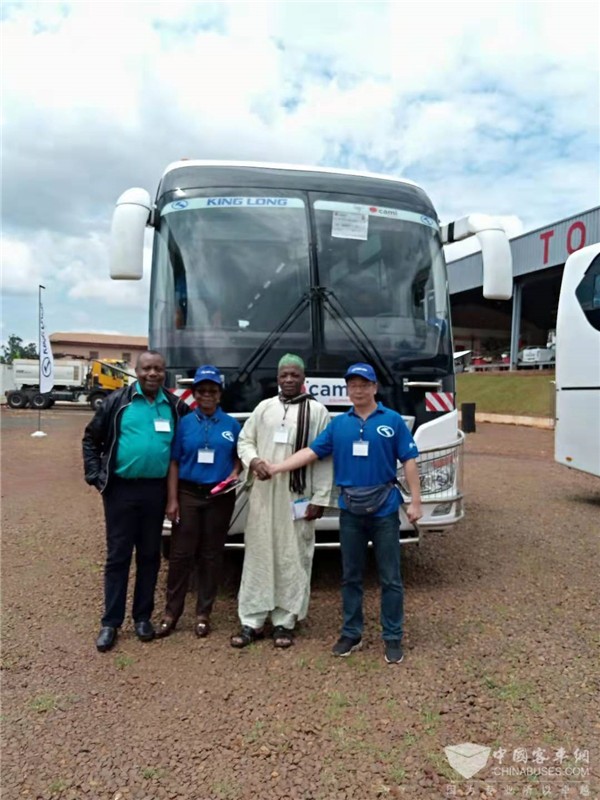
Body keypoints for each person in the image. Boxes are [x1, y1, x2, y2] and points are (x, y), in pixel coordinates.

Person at [266, 362, 422, 664]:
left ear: (374, 387)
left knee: (390, 577)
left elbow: (409, 460)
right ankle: (352, 633)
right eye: (353, 385)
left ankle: (392, 636)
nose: (358, 390)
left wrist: (416, 502)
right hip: (350, 511)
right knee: (350, 576)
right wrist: (276, 468)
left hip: (385, 509)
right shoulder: (339, 425)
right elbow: (311, 452)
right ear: (347, 390)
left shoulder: (392, 421)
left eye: (364, 385)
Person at [82, 351, 190, 652]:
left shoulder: (175, 406)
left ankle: (142, 618)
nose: (152, 374)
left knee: (150, 556)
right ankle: (110, 623)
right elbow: (90, 439)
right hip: (121, 490)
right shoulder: (117, 402)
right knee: (118, 556)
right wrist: (95, 476)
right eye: (146, 369)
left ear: (164, 373)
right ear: (137, 371)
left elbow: (191, 438)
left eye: (158, 369)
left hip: (155, 491)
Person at [231, 354, 333, 649]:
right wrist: (254, 461)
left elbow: (324, 456)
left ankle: (285, 622)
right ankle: (252, 620)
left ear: (303, 379)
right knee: (258, 554)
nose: (289, 379)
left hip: (298, 495)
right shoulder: (264, 408)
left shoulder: (318, 411)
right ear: (277, 379)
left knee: (293, 555)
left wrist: (321, 497)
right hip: (264, 495)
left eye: (294, 375)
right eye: (284, 375)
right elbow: (244, 440)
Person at [156, 365, 242, 639]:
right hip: (188, 494)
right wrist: (172, 500)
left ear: (219, 394)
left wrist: (235, 472)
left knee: (211, 555)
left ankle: (204, 613)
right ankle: (171, 613)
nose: (207, 395)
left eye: (212, 391)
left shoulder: (231, 425)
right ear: (194, 394)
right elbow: (174, 462)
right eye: (202, 390)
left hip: (219, 496)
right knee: (181, 554)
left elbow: (239, 456)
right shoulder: (184, 423)